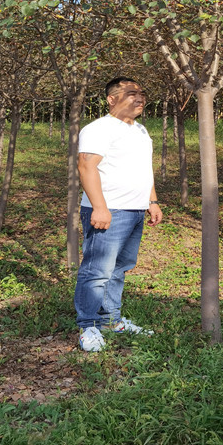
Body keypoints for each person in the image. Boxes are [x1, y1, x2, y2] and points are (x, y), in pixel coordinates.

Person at [74, 76, 164, 351]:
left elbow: (143, 169)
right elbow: (86, 167)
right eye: (131, 93)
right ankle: (87, 326)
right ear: (111, 99)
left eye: (141, 92)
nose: (139, 97)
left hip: (134, 210)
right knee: (97, 271)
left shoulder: (140, 131)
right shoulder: (99, 129)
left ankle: (111, 321)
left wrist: (152, 200)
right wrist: (99, 207)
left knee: (119, 269)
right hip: (109, 210)